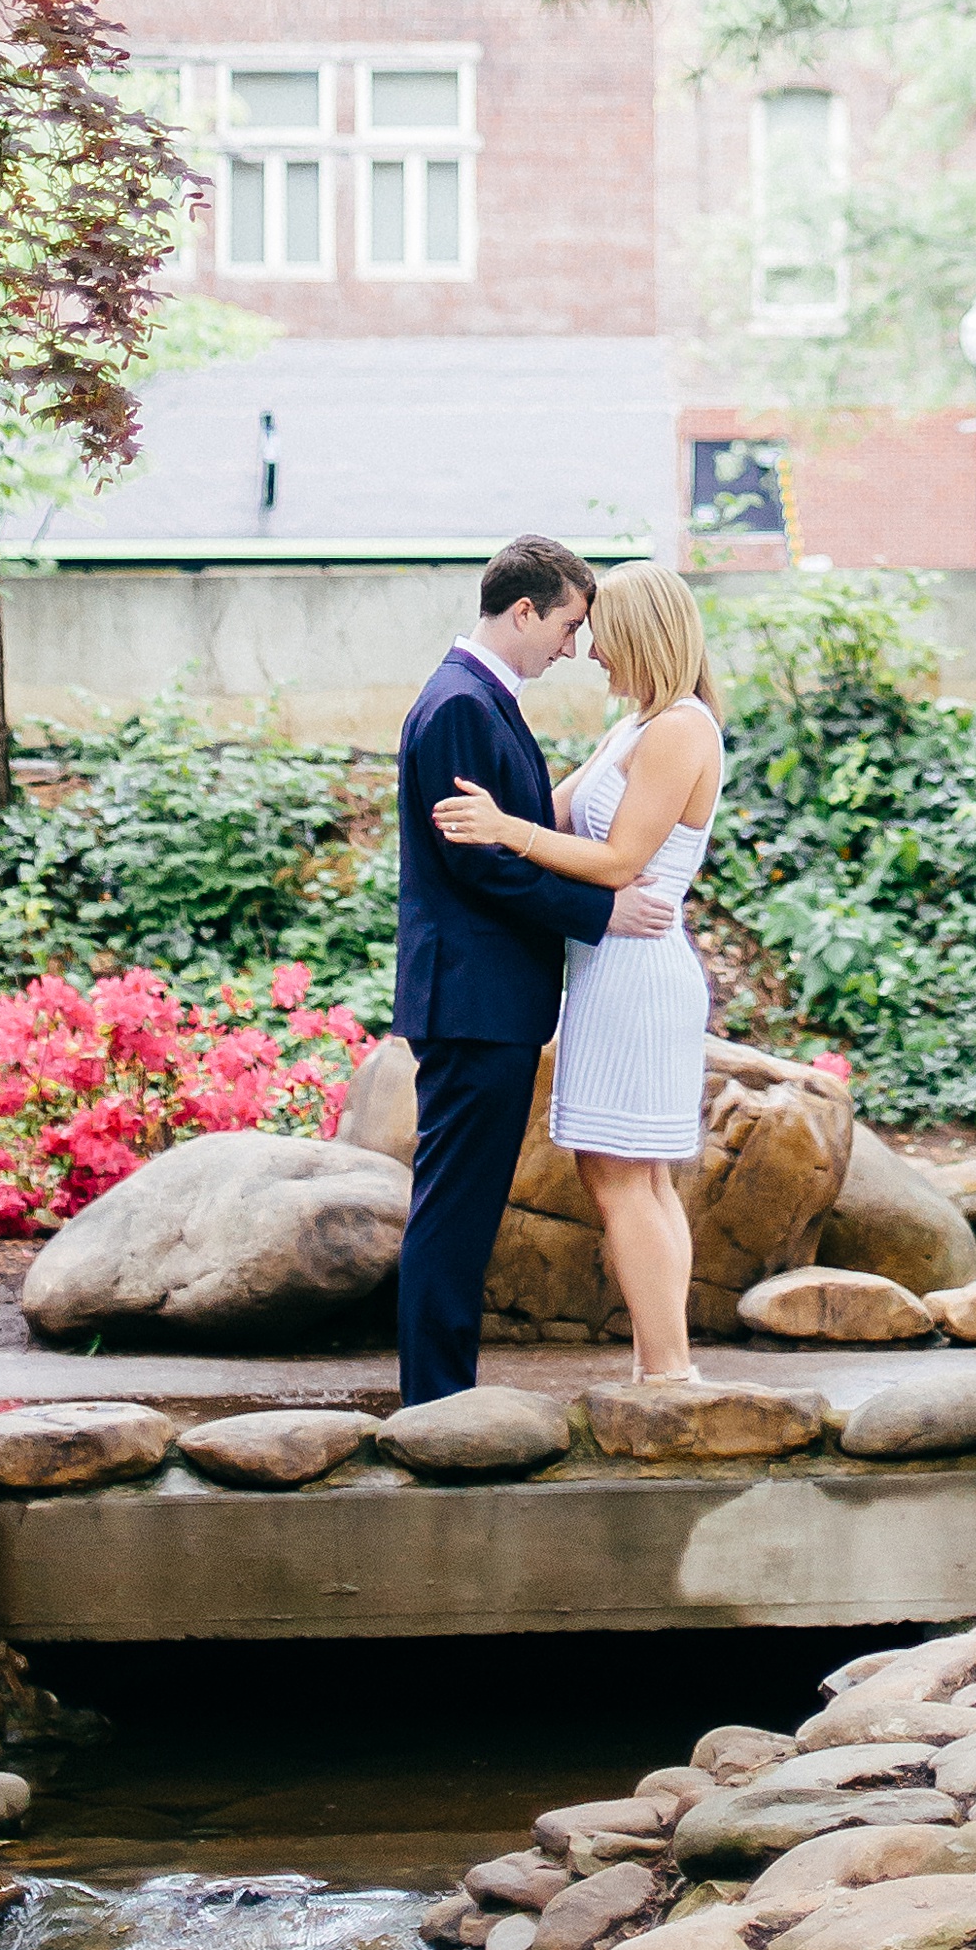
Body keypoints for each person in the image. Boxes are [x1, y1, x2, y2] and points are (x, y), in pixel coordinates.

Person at [390, 531, 671, 1410]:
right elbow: (481, 864)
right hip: (474, 1002)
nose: (574, 646)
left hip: (484, 1000)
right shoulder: (464, 704)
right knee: (456, 1206)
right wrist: (603, 910)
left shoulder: (477, 697)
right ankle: (436, 1401)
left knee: (464, 1204)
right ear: (524, 611)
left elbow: (514, 831)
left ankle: (443, 1393)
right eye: (567, 624)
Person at [433, 555, 724, 1387]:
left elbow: (618, 860)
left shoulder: (681, 729)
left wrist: (504, 832)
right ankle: (659, 1366)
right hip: (608, 968)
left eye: (601, 635)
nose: (590, 651)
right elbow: (553, 812)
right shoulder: (636, 726)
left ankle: (665, 1372)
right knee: (628, 1170)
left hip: (638, 968)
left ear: (642, 635)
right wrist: (498, 807)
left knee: (622, 1171)